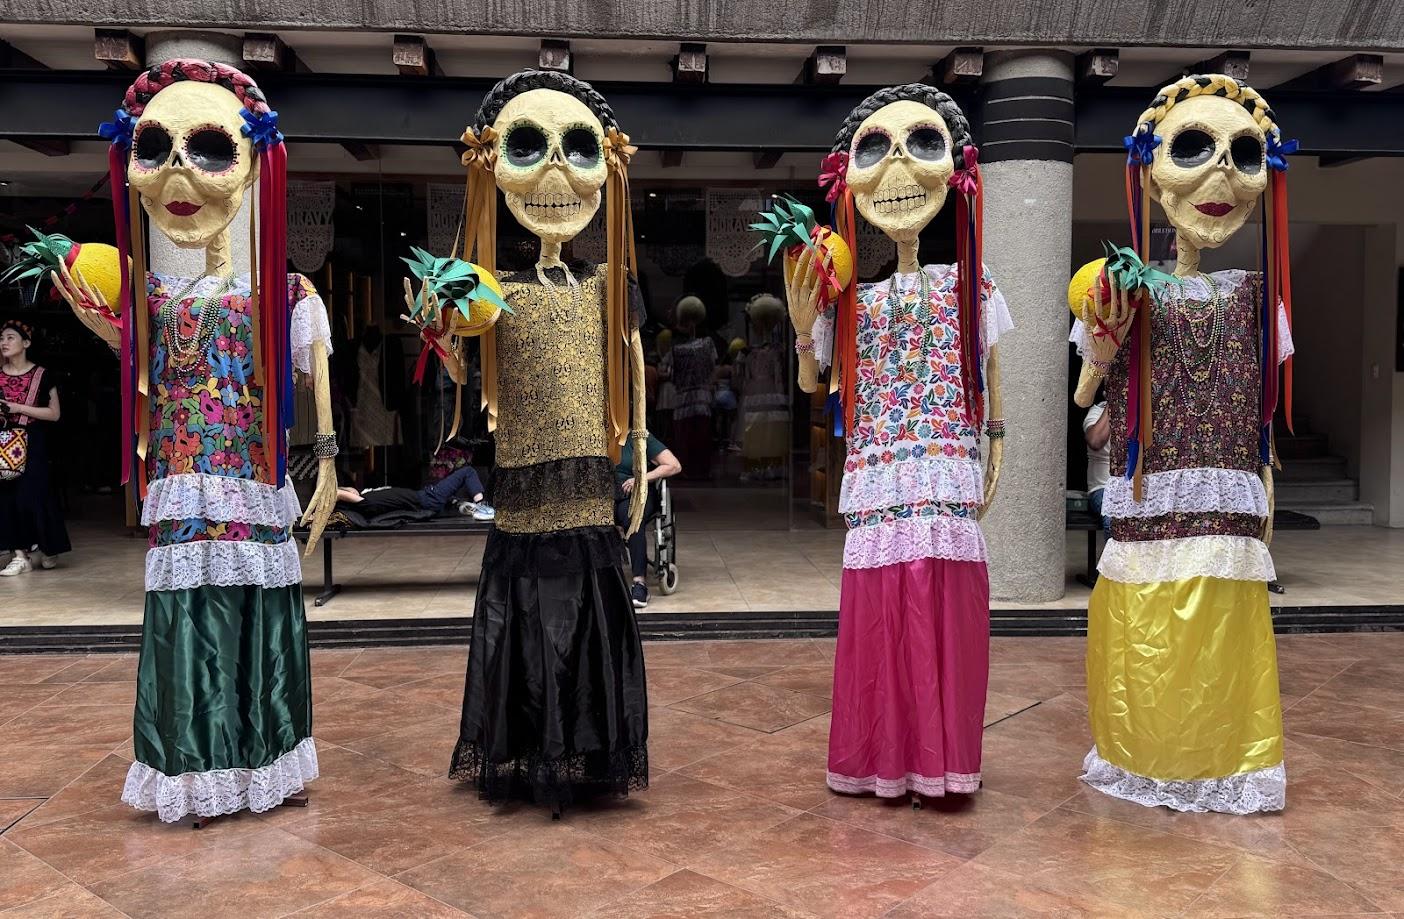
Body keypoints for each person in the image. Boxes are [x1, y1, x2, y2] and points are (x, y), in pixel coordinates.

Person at [53, 59, 337, 822]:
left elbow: (318, 409)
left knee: (257, 625)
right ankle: (193, 769)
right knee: (187, 625)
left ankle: (265, 763)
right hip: (182, 485)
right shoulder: (142, 298)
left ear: (252, 164)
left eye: (210, 149)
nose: (180, 172)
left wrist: (329, 472)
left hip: (252, 484)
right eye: (156, 150)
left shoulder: (287, 295)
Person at [408, 68, 651, 814]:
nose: (553, 175)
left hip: (586, 477)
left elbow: (635, 370)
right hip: (523, 478)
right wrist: (439, 325)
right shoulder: (491, 291)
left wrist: (638, 452)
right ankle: (535, 748)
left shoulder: (612, 281)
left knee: (584, 612)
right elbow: (456, 361)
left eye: (575, 152)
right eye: (528, 151)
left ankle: (583, 747)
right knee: (531, 617)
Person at [778, 84, 1011, 801]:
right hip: (879, 476)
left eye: (925, 147)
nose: (901, 171)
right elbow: (815, 382)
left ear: (955, 172)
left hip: (945, 473)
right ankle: (886, 757)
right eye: (877, 152)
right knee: (884, 623)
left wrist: (995, 441)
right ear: (848, 181)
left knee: (945, 623)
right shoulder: (852, 300)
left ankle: (940, 761)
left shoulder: (969, 286)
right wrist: (800, 319)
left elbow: (991, 374)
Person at [1071, 73, 1295, 814]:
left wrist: (1268, 486)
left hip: (1230, 490)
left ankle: (1226, 761)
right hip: (1150, 487)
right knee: (1151, 633)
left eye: (1244, 155)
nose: (1221, 176)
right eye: (1195, 150)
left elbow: (1266, 409)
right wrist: (1102, 347)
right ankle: (1151, 756)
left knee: (1224, 634)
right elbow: (1083, 397)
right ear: (1152, 174)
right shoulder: (1122, 284)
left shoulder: (1261, 295)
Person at [0, 320, 70, 575]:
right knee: (7, 497)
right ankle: (20, 555)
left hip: (33, 441)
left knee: (33, 495)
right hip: (3, 442)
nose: (4, 343)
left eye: (10, 338)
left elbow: (54, 414)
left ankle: (48, 546)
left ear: (26, 343)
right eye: (2, 339)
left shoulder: (42, 375)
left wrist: (19, 408)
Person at [613, 434, 681, 608]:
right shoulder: (594, 434)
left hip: (636, 491)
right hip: (606, 494)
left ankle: (639, 583)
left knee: (632, 516)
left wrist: (641, 479)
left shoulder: (639, 436)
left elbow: (673, 465)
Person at [335, 464, 493, 520]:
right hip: (429, 498)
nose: (349, 488)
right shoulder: (365, 502)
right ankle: (481, 506)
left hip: (425, 498)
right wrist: (335, 493)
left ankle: (457, 504)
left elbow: (348, 492)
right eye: (346, 490)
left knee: (449, 494)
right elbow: (340, 494)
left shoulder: (366, 494)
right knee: (468, 472)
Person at [1083, 399, 1111, 530]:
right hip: (1103, 487)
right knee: (1114, 518)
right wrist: (1114, 402)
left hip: (1135, 486)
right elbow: (1095, 441)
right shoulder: (1097, 411)